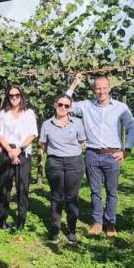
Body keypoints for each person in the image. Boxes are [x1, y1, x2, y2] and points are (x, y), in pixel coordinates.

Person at [67, 73, 134, 237]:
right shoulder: (86, 106)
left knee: (112, 191)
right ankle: (97, 222)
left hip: (113, 155)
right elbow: (65, 104)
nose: (101, 91)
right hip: (92, 154)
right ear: (94, 90)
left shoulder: (121, 107)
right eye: (98, 88)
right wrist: (74, 84)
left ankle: (110, 223)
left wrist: (127, 150)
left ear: (109, 88)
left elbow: (132, 128)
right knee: (95, 191)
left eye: (104, 88)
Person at [39, 94, 87, 244]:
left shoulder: (78, 123)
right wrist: (57, 153)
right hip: (55, 163)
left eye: (66, 106)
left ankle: (71, 229)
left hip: (74, 162)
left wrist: (70, 152)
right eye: (60, 104)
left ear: (70, 108)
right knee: (56, 197)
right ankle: (55, 228)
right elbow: (42, 145)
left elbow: (81, 142)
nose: (63, 108)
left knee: (72, 197)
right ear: (55, 105)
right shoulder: (47, 124)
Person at [0, 85, 38, 231]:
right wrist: (10, 151)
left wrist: (18, 150)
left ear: (21, 96)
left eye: (17, 95)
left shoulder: (29, 113)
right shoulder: (3, 113)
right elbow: (0, 134)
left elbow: (32, 134)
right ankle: (2, 219)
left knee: (22, 188)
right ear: (8, 97)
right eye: (11, 95)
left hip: (23, 152)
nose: (14, 98)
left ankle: (21, 220)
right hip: (7, 152)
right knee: (4, 187)